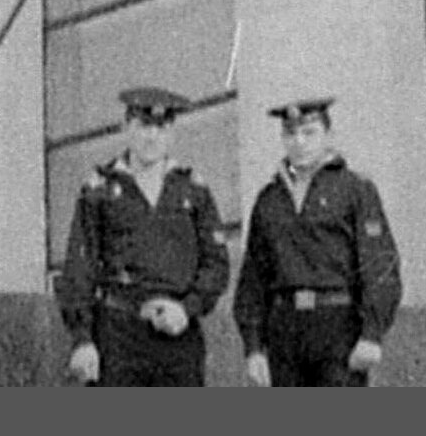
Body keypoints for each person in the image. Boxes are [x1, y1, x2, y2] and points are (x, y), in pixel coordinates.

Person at [55, 85, 230, 386]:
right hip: (118, 336)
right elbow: (79, 268)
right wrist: (82, 340)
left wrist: (187, 309)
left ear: (172, 132)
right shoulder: (100, 189)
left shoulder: (192, 189)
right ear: (126, 127)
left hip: (178, 338)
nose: (152, 136)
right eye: (143, 126)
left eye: (161, 128)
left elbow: (216, 264)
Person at [234, 97, 404, 387]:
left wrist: (372, 334)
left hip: (338, 326)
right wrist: (253, 347)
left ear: (329, 135)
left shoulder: (355, 189)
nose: (299, 142)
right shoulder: (269, 199)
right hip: (284, 329)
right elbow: (253, 277)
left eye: (309, 132)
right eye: (290, 134)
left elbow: (380, 264)